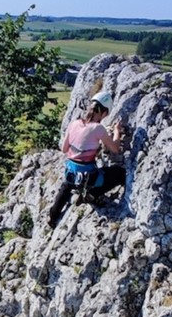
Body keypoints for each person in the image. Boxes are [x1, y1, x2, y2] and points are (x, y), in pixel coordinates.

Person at [48, 90, 126, 227]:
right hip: (89, 178)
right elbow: (114, 148)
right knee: (120, 173)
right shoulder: (98, 128)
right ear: (104, 112)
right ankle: (93, 195)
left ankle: (53, 217)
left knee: (65, 188)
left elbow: (64, 149)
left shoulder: (74, 123)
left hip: (71, 173)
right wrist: (117, 132)